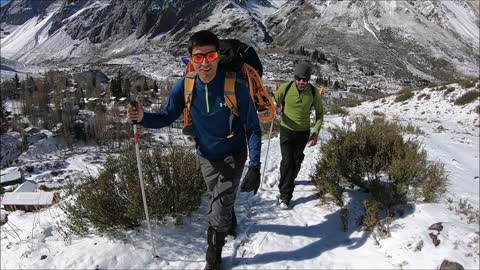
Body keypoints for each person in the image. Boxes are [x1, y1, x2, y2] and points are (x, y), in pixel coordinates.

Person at [127, 30, 262, 270]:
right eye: (198, 58)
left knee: (218, 209)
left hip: (233, 154)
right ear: (190, 59)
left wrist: (254, 165)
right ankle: (228, 220)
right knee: (217, 198)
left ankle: (213, 258)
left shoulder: (235, 87)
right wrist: (142, 118)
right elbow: (167, 116)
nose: (205, 63)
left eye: (210, 56)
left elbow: (253, 128)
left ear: (218, 57)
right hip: (206, 156)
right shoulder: (186, 86)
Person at [274, 61, 324, 209]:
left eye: (305, 80)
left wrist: (315, 133)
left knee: (296, 161)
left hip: (303, 132)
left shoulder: (314, 92)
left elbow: (320, 114)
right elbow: (274, 101)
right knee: (287, 161)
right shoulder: (286, 87)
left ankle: (288, 179)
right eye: (299, 79)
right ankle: (285, 195)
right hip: (286, 130)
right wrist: (275, 106)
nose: (302, 82)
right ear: (295, 77)